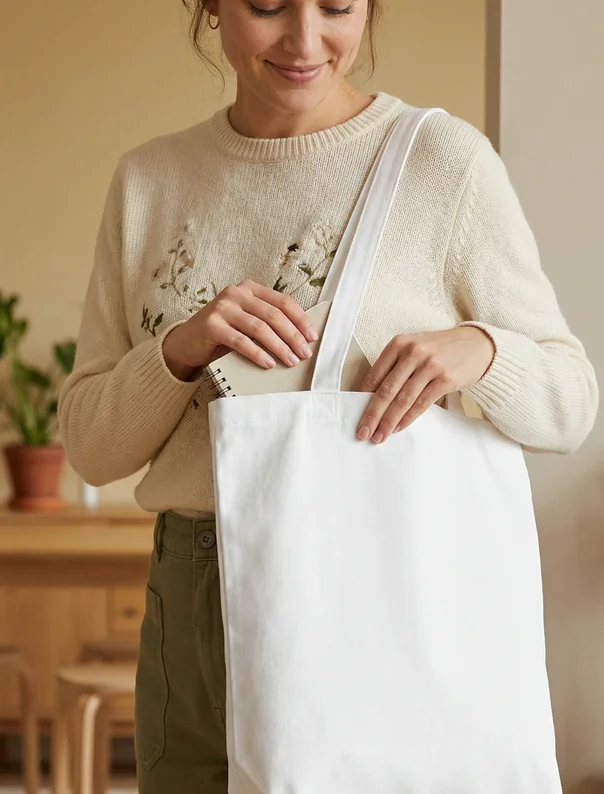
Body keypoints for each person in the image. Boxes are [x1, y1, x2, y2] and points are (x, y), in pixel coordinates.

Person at [58, 0, 598, 790]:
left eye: (339, 6)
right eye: (268, 6)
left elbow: (571, 400)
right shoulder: (150, 180)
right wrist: (179, 349)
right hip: (190, 592)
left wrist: (480, 351)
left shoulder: (441, 163)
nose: (306, 41)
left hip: (366, 584)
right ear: (211, 7)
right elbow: (89, 447)